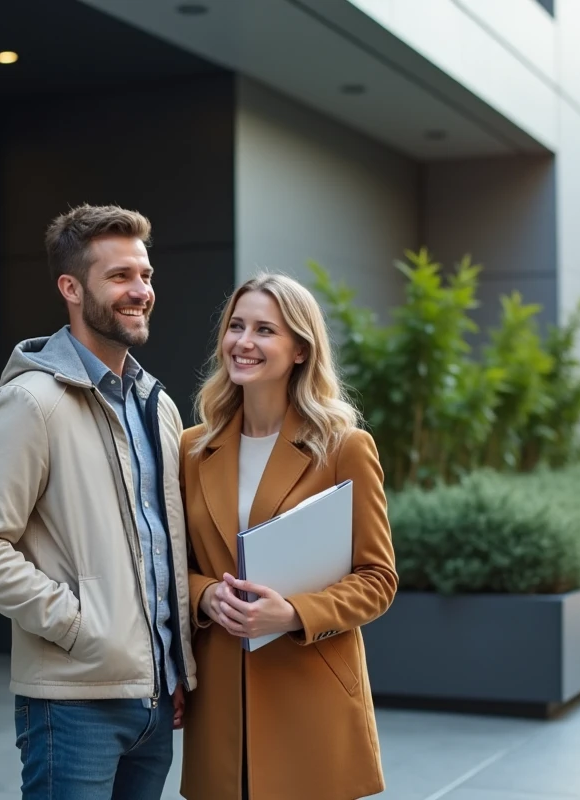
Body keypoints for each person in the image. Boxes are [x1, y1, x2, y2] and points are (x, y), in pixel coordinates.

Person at [0, 204, 196, 800]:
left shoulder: (157, 405)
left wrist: (175, 661)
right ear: (71, 288)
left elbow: (164, 541)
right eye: (119, 277)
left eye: (146, 275)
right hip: (73, 703)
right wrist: (80, 628)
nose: (141, 291)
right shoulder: (30, 404)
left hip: (157, 700)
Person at [179, 273, 397, 800]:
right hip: (222, 697)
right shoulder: (191, 447)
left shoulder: (344, 446)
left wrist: (293, 613)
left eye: (264, 330)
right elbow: (168, 565)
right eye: (236, 326)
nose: (244, 343)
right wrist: (204, 594)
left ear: (300, 348)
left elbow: (378, 579)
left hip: (311, 692)